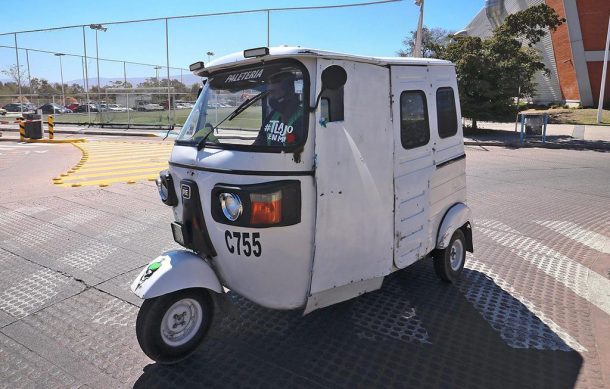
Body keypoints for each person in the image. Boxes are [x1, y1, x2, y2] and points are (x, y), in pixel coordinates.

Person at [254, 72, 304, 147]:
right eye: (269, 93)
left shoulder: (303, 118)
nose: (270, 97)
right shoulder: (272, 116)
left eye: (273, 92)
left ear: (289, 93)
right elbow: (259, 143)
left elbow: (294, 150)